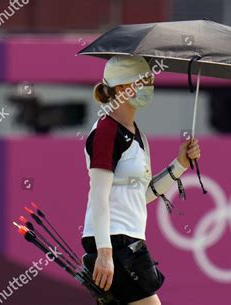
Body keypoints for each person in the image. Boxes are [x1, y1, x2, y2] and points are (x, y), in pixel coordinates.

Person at [81, 55, 200, 305]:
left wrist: (180, 165)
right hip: (114, 244)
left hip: (129, 243)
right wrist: (105, 253)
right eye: (145, 80)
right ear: (124, 88)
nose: (150, 86)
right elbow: (99, 195)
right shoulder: (106, 131)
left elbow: (142, 195)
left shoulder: (138, 135)